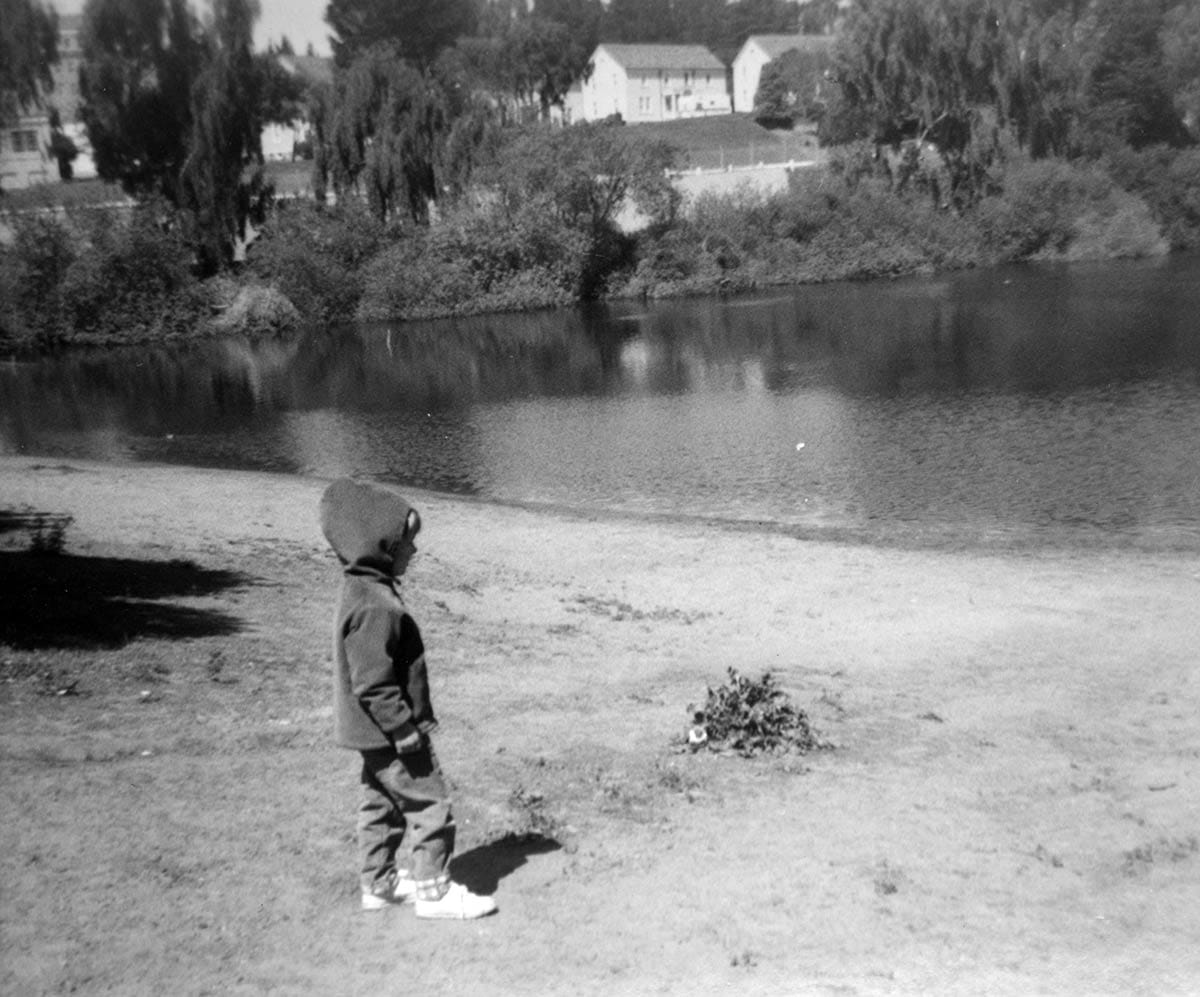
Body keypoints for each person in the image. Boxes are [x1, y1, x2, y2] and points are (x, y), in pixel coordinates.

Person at [319, 477, 497, 919]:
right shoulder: (377, 606)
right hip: (390, 730)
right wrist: (403, 728)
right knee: (429, 799)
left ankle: (378, 883)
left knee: (379, 803)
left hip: (367, 732)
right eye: (406, 544)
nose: (413, 553)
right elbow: (373, 683)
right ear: (381, 545)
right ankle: (434, 892)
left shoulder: (359, 591)